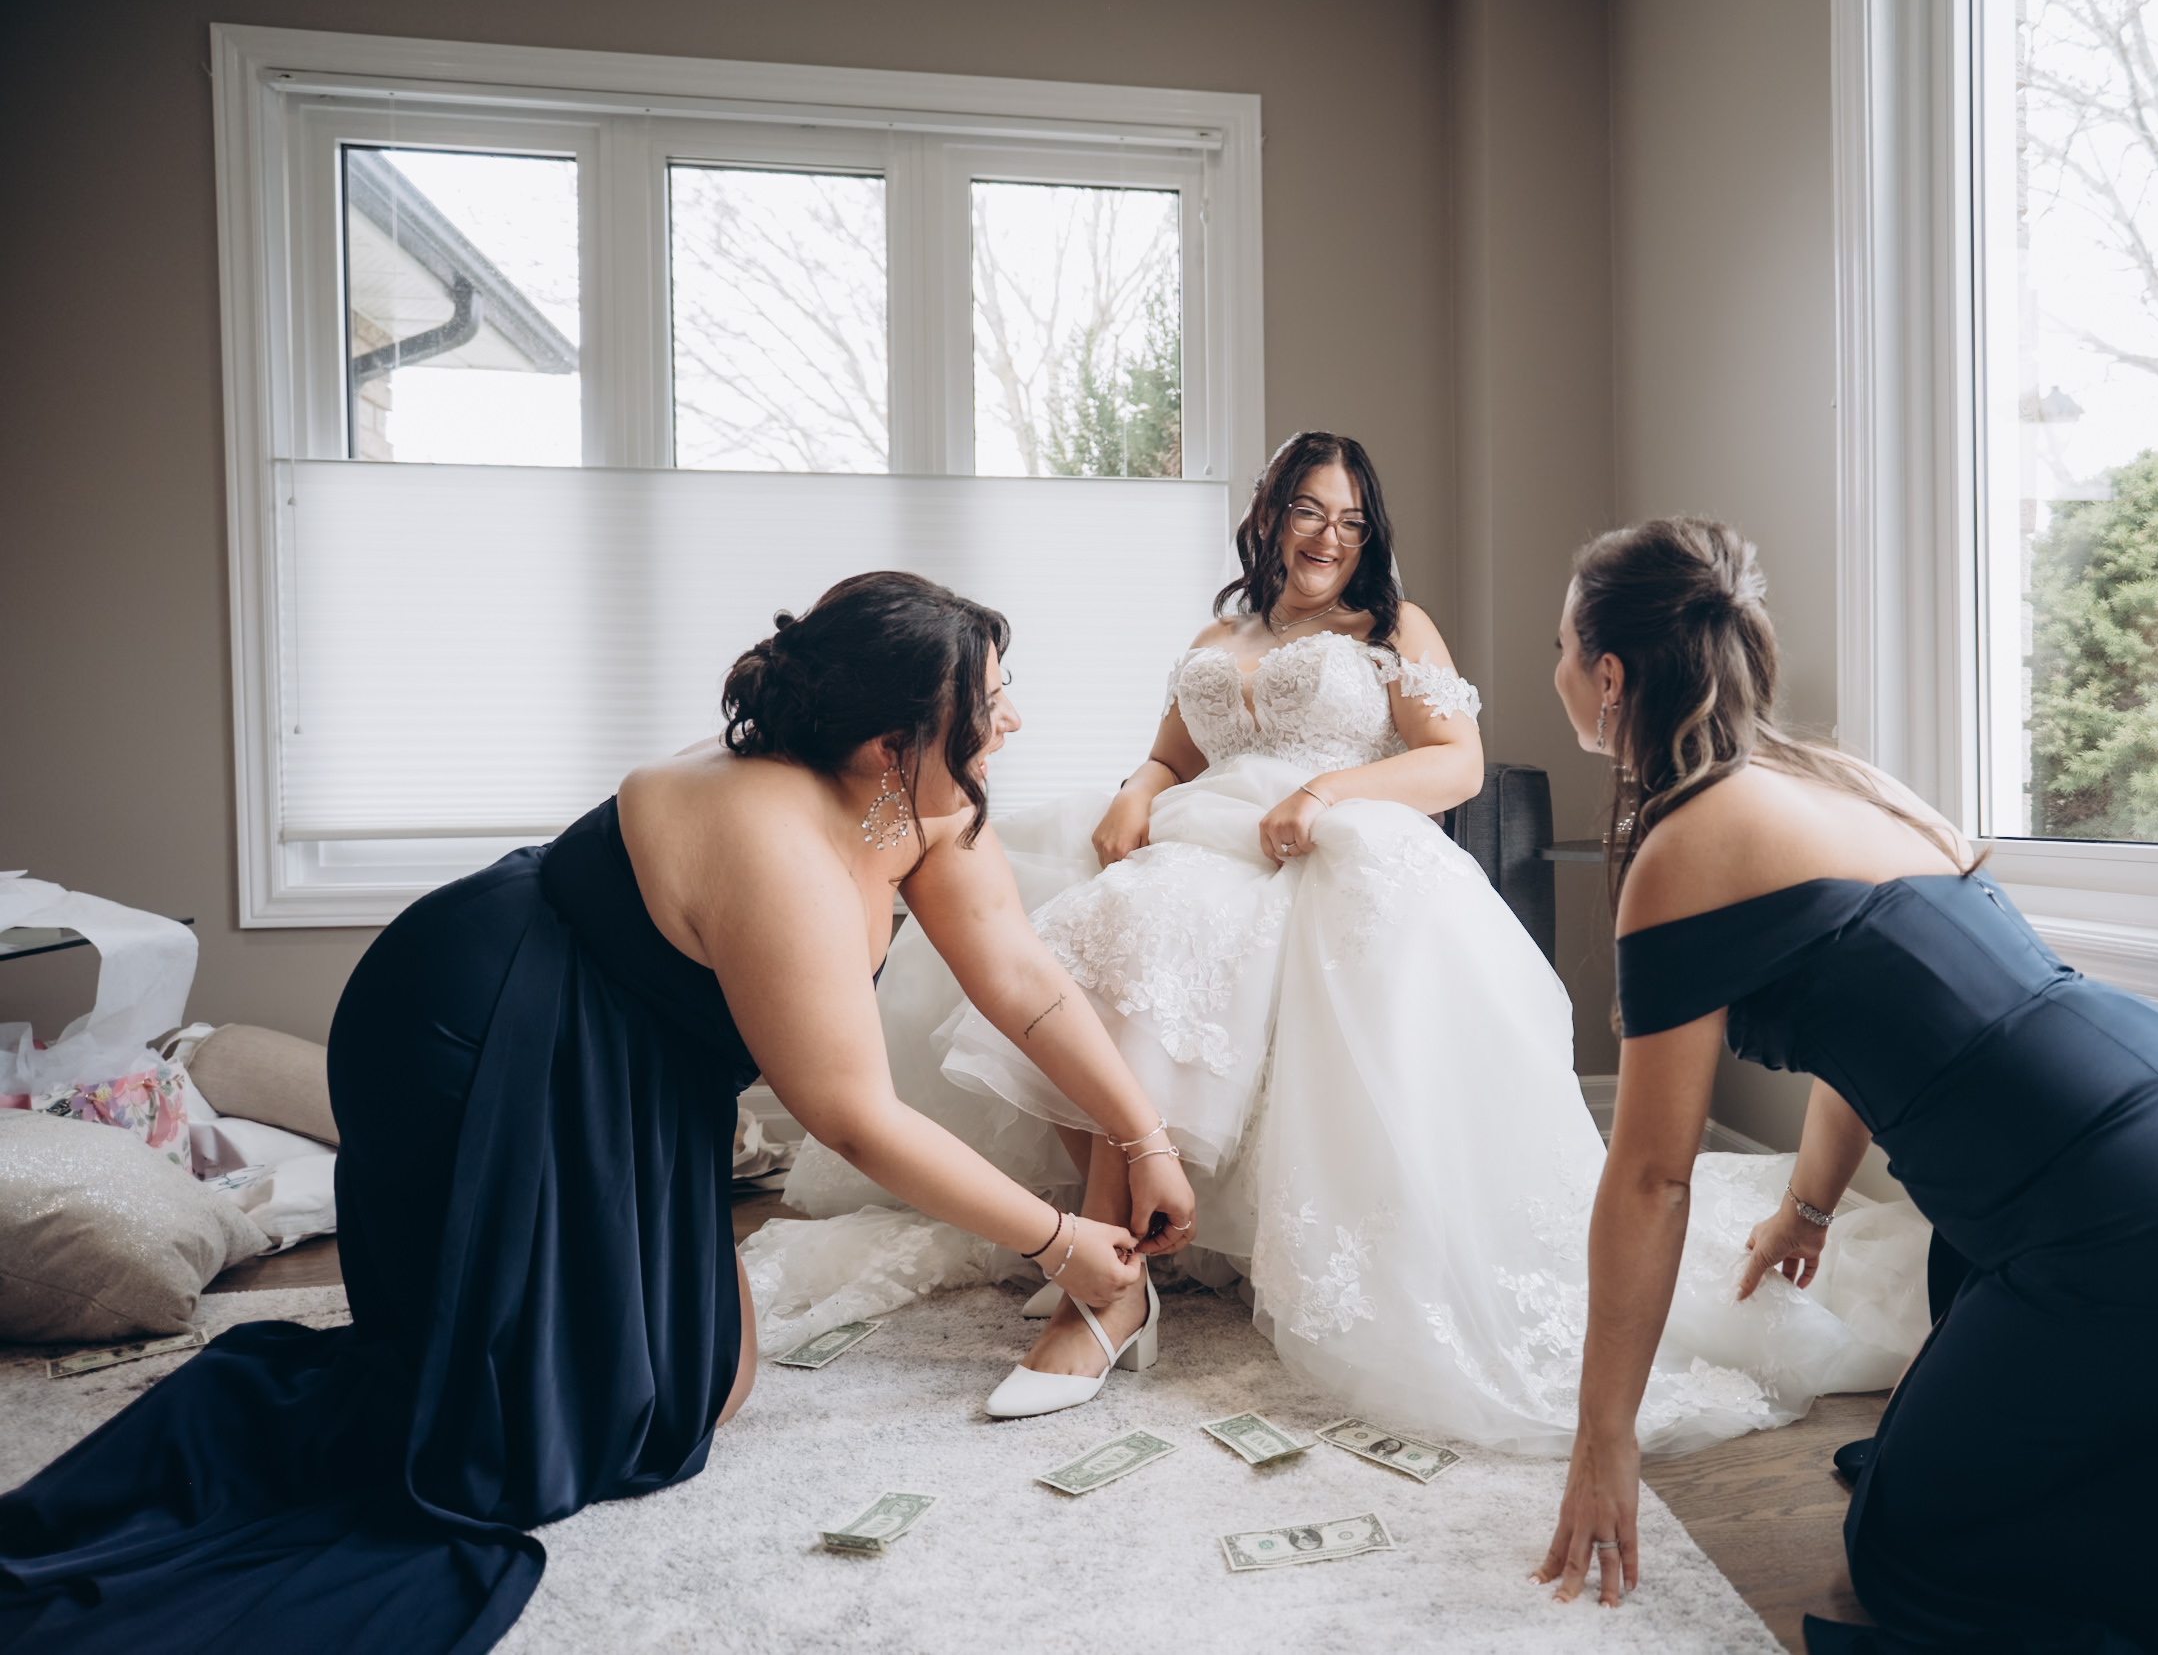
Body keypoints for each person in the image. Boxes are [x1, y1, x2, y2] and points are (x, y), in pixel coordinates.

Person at [0, 572, 1194, 1655]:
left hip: (629, 1046)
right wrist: (1057, 1242)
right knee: (604, 1422)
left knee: (694, 1388)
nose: (1013, 720)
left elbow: (1021, 978)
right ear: (892, 743)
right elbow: (854, 1119)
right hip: (477, 1032)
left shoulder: (913, 800)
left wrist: (1142, 1136)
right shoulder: (775, 840)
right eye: (991, 700)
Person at [1534, 517, 2158, 1649]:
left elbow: (1652, 1177)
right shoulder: (1842, 782)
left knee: (1914, 1555)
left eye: (1561, 650)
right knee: (1954, 1433)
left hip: (2156, 1223)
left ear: (1611, 675)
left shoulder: (1687, 845)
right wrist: (1807, 1209)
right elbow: (1869, 1034)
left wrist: (1604, 1440)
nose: (1557, 674)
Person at [795, 434, 1932, 1447]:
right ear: (1269, 515)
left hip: (1317, 840)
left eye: (1350, 518)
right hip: (1200, 831)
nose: (1329, 536)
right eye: (1308, 510)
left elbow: (1456, 764)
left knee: (1153, 928)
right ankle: (1126, 1241)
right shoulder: (1217, 633)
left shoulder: (1392, 629)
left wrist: (1330, 790)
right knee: (1082, 926)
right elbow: (1173, 754)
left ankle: (1110, 1282)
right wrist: (1138, 788)